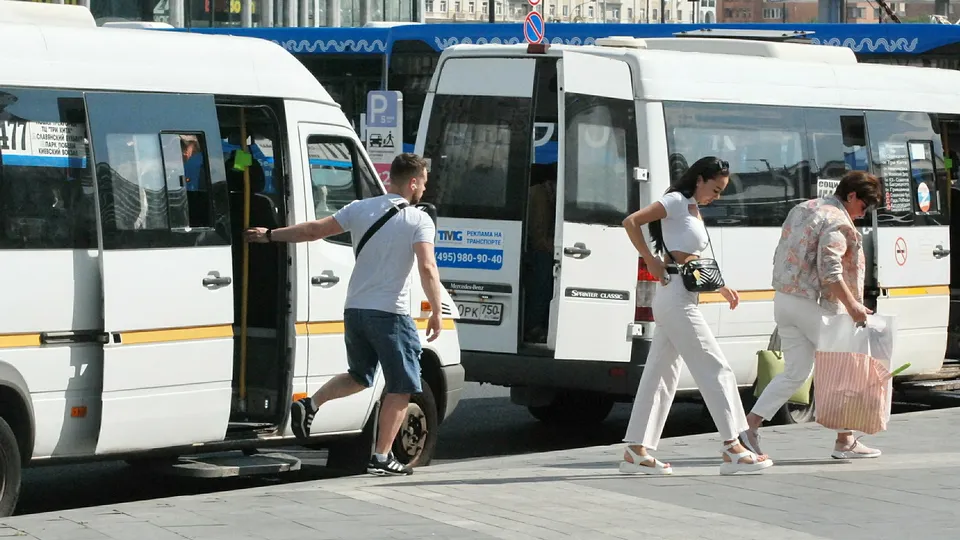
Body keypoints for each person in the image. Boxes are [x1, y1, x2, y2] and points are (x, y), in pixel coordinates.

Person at [244, 153, 443, 476]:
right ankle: (381, 457)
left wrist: (269, 235)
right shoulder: (419, 220)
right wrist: (436, 310)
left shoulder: (360, 208)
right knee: (402, 386)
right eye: (423, 183)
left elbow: (313, 230)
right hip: (390, 313)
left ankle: (311, 404)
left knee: (360, 376)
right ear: (412, 182)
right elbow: (427, 266)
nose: (423, 189)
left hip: (355, 310)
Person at [619, 156, 772, 476]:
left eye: (721, 192)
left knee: (661, 375)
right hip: (675, 298)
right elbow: (631, 221)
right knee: (716, 367)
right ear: (699, 179)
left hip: (681, 294)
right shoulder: (676, 201)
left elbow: (691, 257)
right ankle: (733, 446)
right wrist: (649, 260)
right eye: (715, 189)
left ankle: (636, 450)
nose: (716, 197)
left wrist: (720, 286)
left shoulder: (691, 207)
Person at [742, 171, 883, 460]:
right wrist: (853, 306)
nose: (863, 213)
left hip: (784, 299)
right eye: (863, 205)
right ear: (852, 195)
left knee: (796, 372)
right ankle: (844, 441)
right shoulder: (837, 220)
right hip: (812, 303)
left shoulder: (804, 207)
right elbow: (830, 270)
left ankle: (749, 426)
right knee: (844, 365)